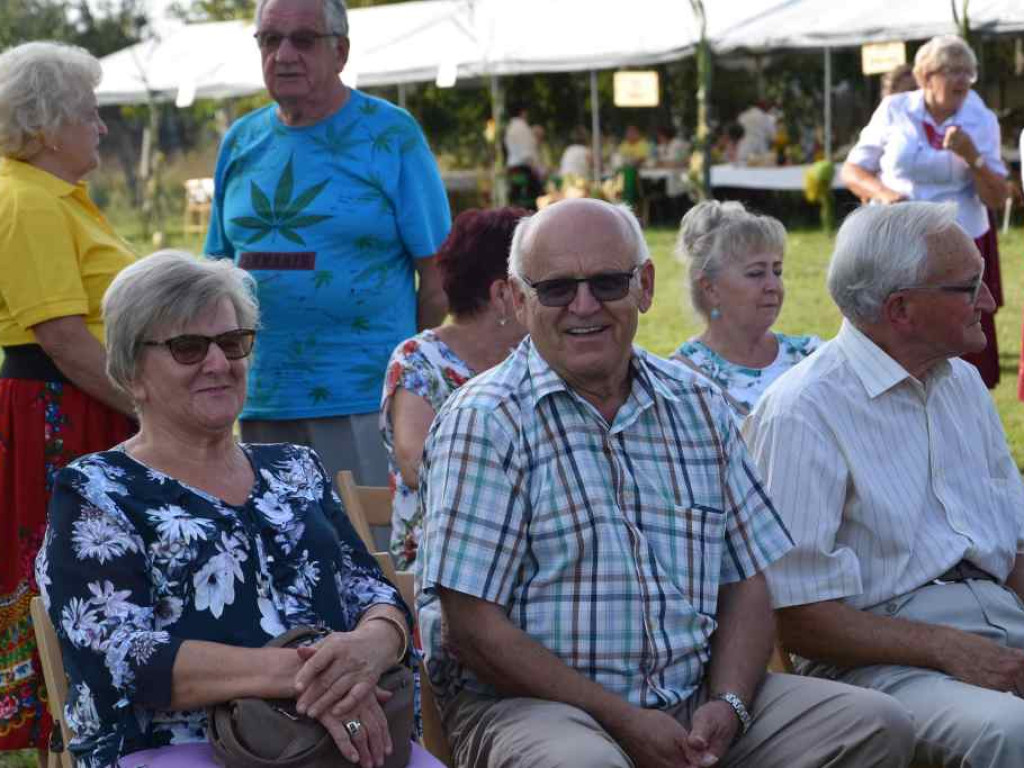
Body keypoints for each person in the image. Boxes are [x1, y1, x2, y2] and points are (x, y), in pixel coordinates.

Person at [417, 197, 915, 768]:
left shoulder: (697, 402)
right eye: (556, 288)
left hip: (694, 695)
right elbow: (473, 627)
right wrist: (624, 721)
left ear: (645, 286)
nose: (584, 305)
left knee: (875, 725)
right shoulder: (484, 420)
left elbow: (748, 580)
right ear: (518, 299)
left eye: (607, 282)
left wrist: (729, 703)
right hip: (537, 708)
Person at [37, 251, 424, 768]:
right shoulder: (97, 490)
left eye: (232, 342)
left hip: (345, 737)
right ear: (133, 374)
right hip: (182, 747)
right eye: (188, 348)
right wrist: (314, 678)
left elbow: (372, 590)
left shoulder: (296, 468)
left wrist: (373, 646)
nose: (218, 363)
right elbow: (122, 658)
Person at [744, 202, 1024, 768]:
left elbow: (1014, 548)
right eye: (970, 287)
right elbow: (796, 615)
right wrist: (950, 649)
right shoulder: (803, 410)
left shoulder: (961, 382)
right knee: (1012, 731)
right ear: (901, 308)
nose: (991, 302)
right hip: (881, 665)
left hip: (996, 625)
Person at [204, 0, 451, 487]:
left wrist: (402, 372)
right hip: (260, 400)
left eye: (303, 39)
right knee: (276, 554)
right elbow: (216, 270)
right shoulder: (240, 141)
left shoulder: (390, 134)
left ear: (340, 52)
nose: (285, 54)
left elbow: (439, 273)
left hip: (366, 401)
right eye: (270, 40)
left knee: (367, 551)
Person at [0, 41, 137, 756]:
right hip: (62, 408)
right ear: (51, 124)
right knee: (68, 569)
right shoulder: (27, 199)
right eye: (90, 112)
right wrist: (152, 410)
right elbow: (60, 335)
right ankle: (64, 722)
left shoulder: (55, 195)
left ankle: (91, 718)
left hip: (79, 398)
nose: (102, 126)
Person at [841, 35, 1009, 388]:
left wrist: (972, 157)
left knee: (959, 343)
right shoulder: (894, 109)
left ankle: (962, 411)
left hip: (958, 247)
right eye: (952, 70)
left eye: (969, 72)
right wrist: (885, 195)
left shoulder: (982, 119)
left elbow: (996, 198)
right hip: (897, 242)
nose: (963, 79)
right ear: (926, 76)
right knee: (893, 329)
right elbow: (853, 170)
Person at [381, 208, 527, 570]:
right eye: (543, 285)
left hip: (528, 550)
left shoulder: (535, 358)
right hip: (446, 560)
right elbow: (416, 466)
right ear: (504, 294)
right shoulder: (419, 360)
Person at [671, 201, 820, 417]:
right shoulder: (681, 379)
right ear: (710, 288)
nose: (773, 286)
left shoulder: (810, 358)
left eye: (777, 271)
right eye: (756, 273)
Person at [505, 106, 542, 209]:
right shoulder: (523, 128)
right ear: (522, 112)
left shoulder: (510, 127)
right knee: (533, 196)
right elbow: (527, 153)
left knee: (515, 199)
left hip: (513, 168)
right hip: (523, 168)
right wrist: (535, 169)